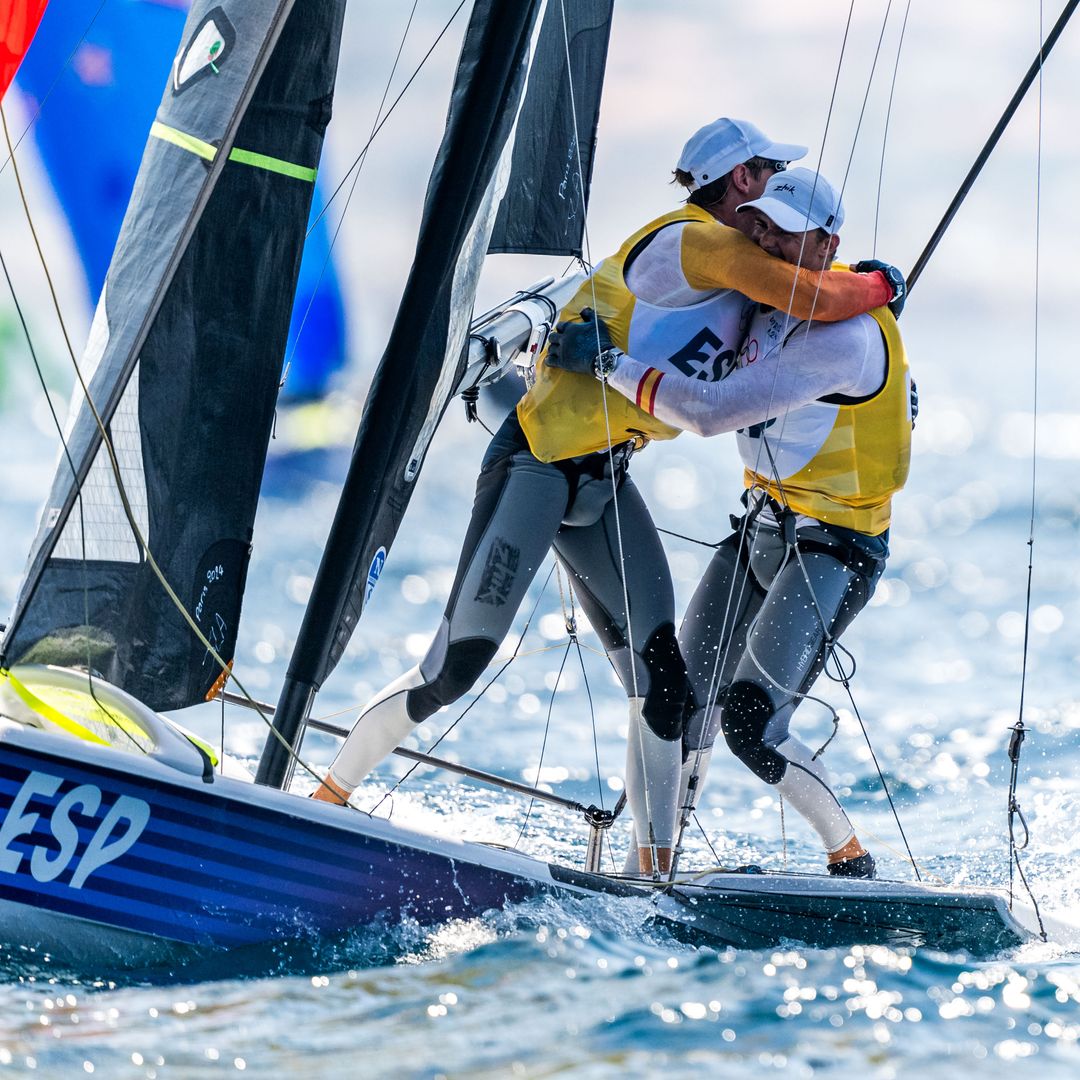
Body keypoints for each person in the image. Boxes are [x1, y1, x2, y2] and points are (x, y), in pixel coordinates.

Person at [315, 119, 902, 879]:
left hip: (604, 480)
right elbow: (813, 298)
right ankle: (325, 798)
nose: (766, 213)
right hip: (536, 469)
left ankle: (648, 874)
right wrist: (884, 282)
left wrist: (872, 301)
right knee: (455, 665)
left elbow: (806, 320)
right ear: (742, 183)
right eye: (763, 177)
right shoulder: (702, 244)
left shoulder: (738, 281)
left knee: (665, 686)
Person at [545, 167, 910, 879]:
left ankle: (851, 858)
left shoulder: (847, 341)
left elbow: (709, 414)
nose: (766, 238)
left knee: (750, 726)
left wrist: (609, 363)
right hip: (763, 528)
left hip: (835, 547)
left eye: (787, 231)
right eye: (763, 223)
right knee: (682, 699)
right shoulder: (767, 293)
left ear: (827, 243)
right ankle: (657, 865)